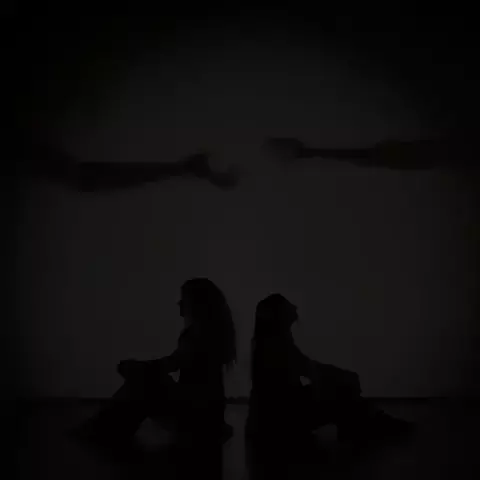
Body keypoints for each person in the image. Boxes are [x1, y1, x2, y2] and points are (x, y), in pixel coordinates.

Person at [73, 278, 237, 452]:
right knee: (143, 381)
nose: (179, 304)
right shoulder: (211, 334)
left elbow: (171, 364)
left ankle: (102, 429)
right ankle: (105, 428)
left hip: (195, 416)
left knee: (142, 383)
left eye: (184, 299)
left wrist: (139, 368)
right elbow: (173, 364)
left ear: (197, 304)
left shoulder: (198, 336)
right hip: (203, 415)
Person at [245, 294, 413, 447]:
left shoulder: (266, 343)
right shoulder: (275, 345)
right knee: (341, 392)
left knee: (340, 391)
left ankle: (366, 422)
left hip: (268, 421)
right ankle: (370, 422)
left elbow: (307, 368)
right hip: (280, 421)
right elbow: (309, 369)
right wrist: (345, 377)